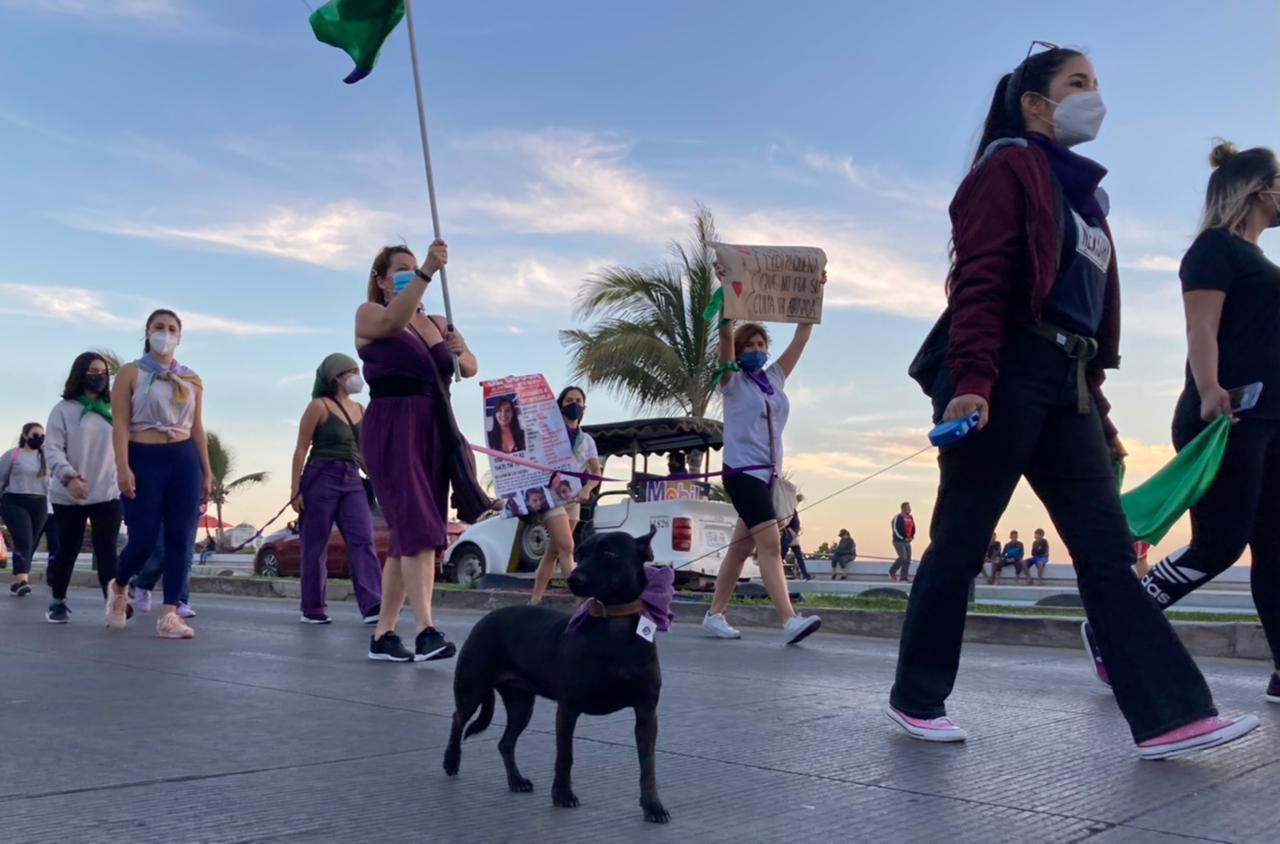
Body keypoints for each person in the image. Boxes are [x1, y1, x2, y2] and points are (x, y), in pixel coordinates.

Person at [888, 45, 1257, 756]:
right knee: (962, 542)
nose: (1095, 97)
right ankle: (916, 697)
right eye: (1077, 83)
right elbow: (981, 281)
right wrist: (970, 383)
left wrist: (1103, 413)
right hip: (1002, 371)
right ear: (1036, 103)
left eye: (1096, 83)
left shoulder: (1088, 199)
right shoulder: (1006, 168)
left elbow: (1084, 314)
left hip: (1069, 383)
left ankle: (1171, 716)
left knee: (1107, 551)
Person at [1082, 141, 1280, 704]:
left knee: (1276, 551)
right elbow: (1201, 327)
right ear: (1259, 188)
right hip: (1227, 416)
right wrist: (1211, 389)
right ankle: (1114, 624)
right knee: (1218, 545)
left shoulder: (1262, 260)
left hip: (1272, 419)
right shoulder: (1212, 250)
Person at [358, 241, 477, 663]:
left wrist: (460, 348)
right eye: (402, 269)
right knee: (420, 528)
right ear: (382, 279)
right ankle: (426, 629)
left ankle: (383, 635)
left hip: (434, 426)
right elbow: (392, 321)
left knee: (408, 536)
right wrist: (427, 269)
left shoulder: (436, 320)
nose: (410, 273)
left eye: (414, 267)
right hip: (392, 425)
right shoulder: (369, 313)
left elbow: (469, 368)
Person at [702, 318, 821, 645]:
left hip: (769, 476)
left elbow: (802, 337)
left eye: (761, 345)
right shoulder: (731, 381)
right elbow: (725, 334)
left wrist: (812, 295)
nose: (757, 350)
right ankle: (789, 620)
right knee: (769, 545)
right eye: (749, 345)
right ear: (739, 352)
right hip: (742, 473)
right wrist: (727, 314)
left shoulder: (774, 378)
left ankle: (714, 615)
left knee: (740, 550)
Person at [107, 309, 211, 640]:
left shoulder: (192, 379)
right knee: (145, 537)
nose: (164, 333)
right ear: (147, 333)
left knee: (181, 537)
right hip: (143, 456)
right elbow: (120, 423)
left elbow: (197, 428)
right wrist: (123, 467)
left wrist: (206, 470)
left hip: (182, 459)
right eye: (158, 328)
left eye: (171, 329)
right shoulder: (131, 373)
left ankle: (170, 615)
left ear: (179, 337)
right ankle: (120, 585)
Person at [288, 352, 383, 625]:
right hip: (320, 476)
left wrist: (378, 479)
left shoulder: (361, 410)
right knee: (315, 545)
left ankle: (373, 604)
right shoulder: (319, 406)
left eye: (356, 370)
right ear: (335, 377)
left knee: (362, 539)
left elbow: (363, 451)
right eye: (350, 371)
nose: (356, 376)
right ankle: (313, 608)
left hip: (352, 479)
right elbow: (300, 450)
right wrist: (296, 491)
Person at [43, 354, 122, 623]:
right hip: (69, 494)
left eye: (102, 372)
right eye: (92, 371)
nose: (98, 376)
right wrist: (69, 477)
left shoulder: (114, 411)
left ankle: (113, 603)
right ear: (80, 374)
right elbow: (52, 449)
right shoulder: (63, 410)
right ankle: (58, 601)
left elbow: (126, 447)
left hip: (107, 492)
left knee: (106, 549)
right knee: (69, 548)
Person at [530, 386, 600, 605]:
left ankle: (534, 601)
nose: (574, 404)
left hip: (573, 500)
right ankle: (583, 602)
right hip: (550, 497)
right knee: (567, 547)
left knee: (554, 551)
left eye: (579, 400)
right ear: (560, 405)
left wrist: (588, 489)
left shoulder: (586, 440)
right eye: (569, 400)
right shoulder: (547, 434)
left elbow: (596, 473)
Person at [2, 423, 49, 598]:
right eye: (36, 435)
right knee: (24, 540)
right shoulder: (13, 455)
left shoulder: (46, 457)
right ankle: (23, 580)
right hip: (14, 501)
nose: (39, 439)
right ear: (25, 435)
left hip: (39, 503)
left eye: (42, 435)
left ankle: (17, 581)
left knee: (32, 543)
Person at [130, 516, 196, 617]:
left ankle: (180, 601)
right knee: (161, 553)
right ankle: (142, 584)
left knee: (185, 555)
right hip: (162, 507)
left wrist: (202, 501)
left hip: (189, 506)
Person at [888, 502, 915, 582]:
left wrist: (911, 537)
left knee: (908, 559)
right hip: (898, 541)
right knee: (903, 557)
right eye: (908, 507)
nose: (910, 509)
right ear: (903, 508)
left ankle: (904, 577)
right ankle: (892, 571)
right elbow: (895, 529)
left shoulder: (910, 517)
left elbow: (913, 528)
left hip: (907, 541)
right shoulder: (898, 517)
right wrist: (903, 538)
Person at [781, 513, 811, 581]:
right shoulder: (790, 511)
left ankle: (805, 575)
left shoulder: (793, 512)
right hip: (788, 535)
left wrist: (796, 532)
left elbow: (796, 525)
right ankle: (805, 575)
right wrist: (792, 531)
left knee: (799, 557)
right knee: (781, 556)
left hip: (793, 536)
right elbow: (785, 523)